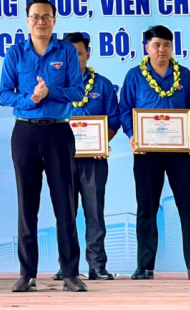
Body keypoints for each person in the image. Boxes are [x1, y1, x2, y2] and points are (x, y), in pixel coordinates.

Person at [0, 0, 87, 293]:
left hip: (59, 133)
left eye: (46, 17)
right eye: (35, 17)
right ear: (27, 21)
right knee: (27, 205)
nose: (41, 21)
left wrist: (51, 92)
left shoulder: (66, 51)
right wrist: (31, 98)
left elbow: (78, 91)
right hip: (26, 132)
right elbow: (4, 94)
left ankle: (71, 273)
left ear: (54, 20)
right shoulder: (15, 53)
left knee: (65, 204)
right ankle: (27, 274)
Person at [119, 25, 190, 281]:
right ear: (146, 47)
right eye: (156, 45)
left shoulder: (184, 75)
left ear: (172, 48)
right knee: (146, 208)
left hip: (180, 151)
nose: (161, 50)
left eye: (166, 45)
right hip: (147, 152)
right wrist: (132, 134)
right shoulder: (134, 76)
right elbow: (125, 109)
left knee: (188, 206)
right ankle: (144, 266)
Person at [64, 32, 120, 282]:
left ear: (88, 53)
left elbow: (114, 120)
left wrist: (100, 143)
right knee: (65, 213)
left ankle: (97, 265)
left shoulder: (103, 85)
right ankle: (66, 266)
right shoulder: (55, 86)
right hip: (62, 160)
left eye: (78, 53)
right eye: (69, 54)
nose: (74, 58)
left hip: (94, 160)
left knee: (95, 212)